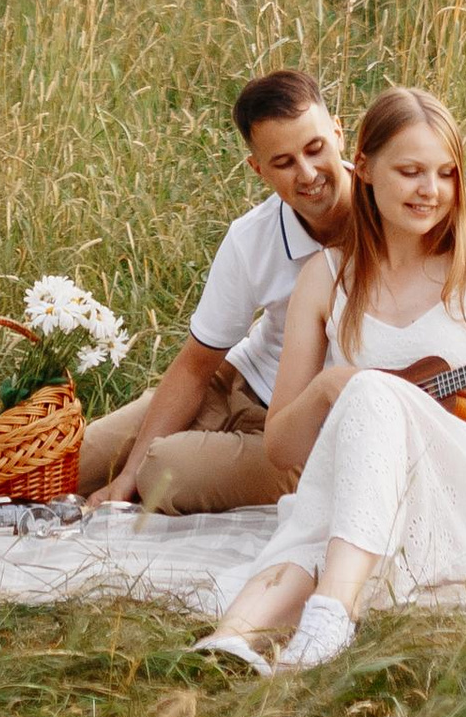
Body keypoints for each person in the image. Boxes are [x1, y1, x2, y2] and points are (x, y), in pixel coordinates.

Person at [193, 86, 466, 671]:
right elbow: (280, 448)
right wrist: (326, 387)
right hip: (359, 498)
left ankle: (329, 614)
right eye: (411, 171)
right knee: (322, 503)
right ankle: (229, 641)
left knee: (370, 397)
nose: (431, 190)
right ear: (365, 167)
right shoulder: (325, 279)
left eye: (446, 173)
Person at [80, 70, 353, 514]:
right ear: (258, 169)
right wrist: (122, 475)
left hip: (301, 431)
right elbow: (194, 367)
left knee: (162, 473)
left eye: (315, 148)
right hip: (238, 380)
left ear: (338, 133)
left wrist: (136, 476)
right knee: (72, 460)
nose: (307, 174)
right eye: (283, 162)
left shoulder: (392, 218)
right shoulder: (251, 238)